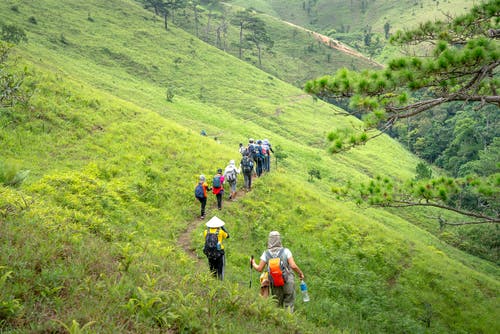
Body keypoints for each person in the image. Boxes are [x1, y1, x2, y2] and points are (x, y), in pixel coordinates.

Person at [250, 231, 305, 312]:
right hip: (288, 281)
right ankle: (289, 322)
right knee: (289, 304)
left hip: (275, 282)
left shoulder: (266, 254)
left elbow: (259, 269)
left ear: (269, 240)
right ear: (279, 239)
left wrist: (253, 262)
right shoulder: (286, 251)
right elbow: (293, 266)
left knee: (277, 305)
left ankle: (278, 323)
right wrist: (300, 273)